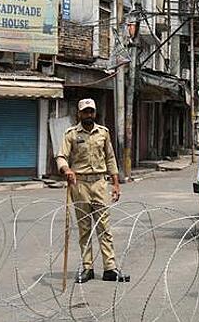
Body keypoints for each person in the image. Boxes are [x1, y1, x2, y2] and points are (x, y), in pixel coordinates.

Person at [56, 98, 130, 283]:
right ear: (79, 114)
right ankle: (87, 268)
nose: (88, 115)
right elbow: (61, 156)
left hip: (99, 183)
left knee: (104, 227)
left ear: (95, 113)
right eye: (85, 112)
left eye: (91, 112)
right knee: (84, 228)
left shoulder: (103, 133)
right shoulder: (71, 134)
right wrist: (67, 170)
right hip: (79, 184)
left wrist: (116, 184)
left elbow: (110, 158)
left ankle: (110, 268)